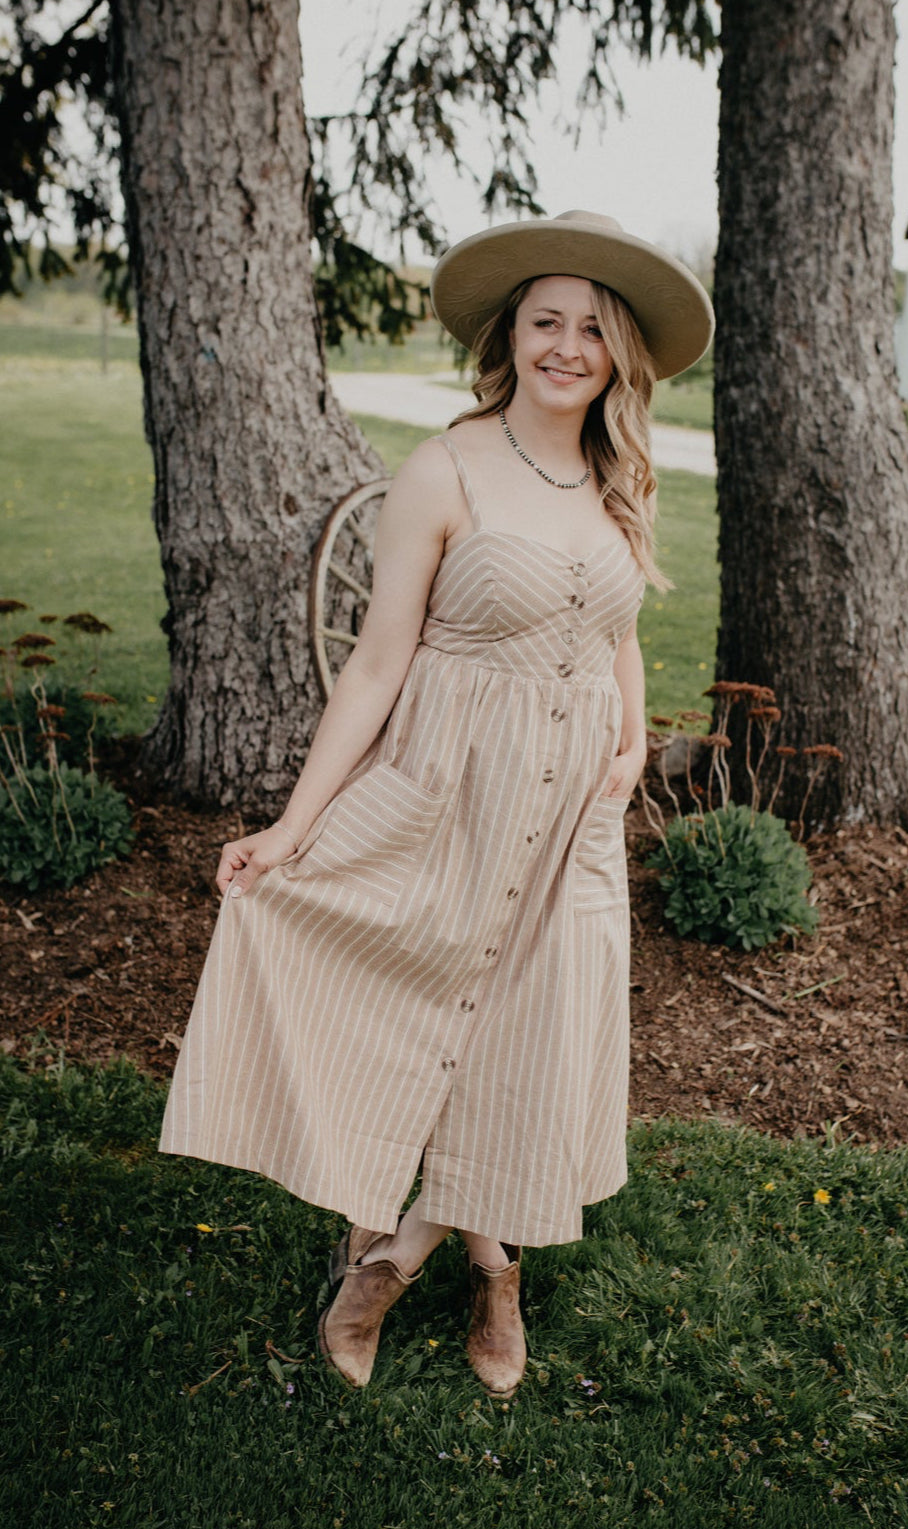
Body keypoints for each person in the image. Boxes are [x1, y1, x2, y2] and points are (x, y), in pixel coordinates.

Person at [159, 209, 714, 1398]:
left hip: (575, 818)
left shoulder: (613, 476)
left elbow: (617, 627)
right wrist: (294, 828)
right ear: (511, 334)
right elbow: (375, 661)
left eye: (591, 329)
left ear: (619, 354)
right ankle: (475, 1260)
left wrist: (633, 734)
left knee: (526, 1033)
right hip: (452, 785)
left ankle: (405, 1258)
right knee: (432, 1003)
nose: (567, 345)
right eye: (546, 321)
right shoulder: (447, 465)